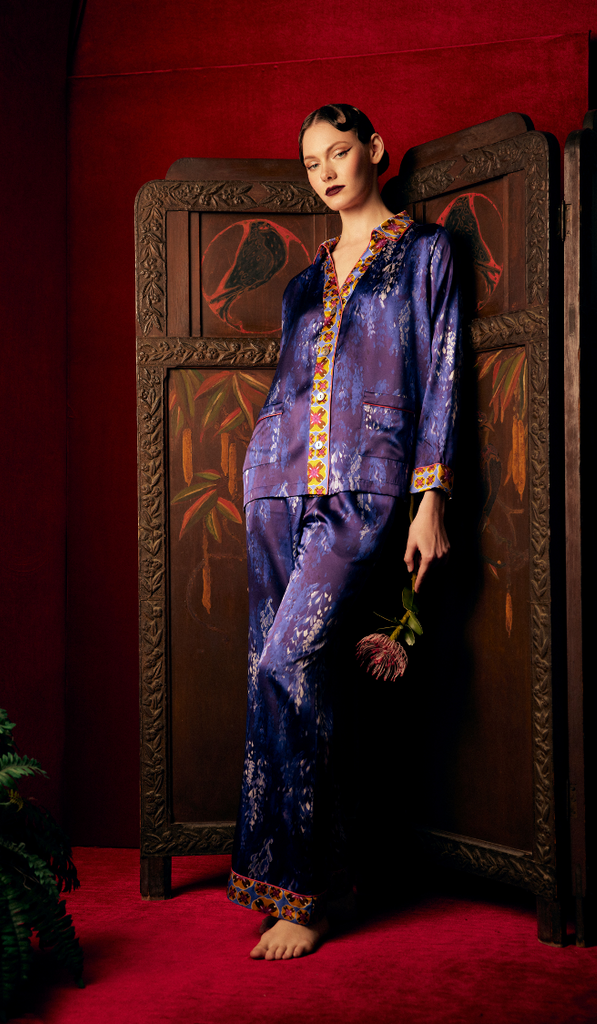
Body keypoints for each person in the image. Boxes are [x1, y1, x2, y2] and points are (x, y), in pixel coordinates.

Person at [226, 104, 461, 960]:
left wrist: (430, 496)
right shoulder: (303, 281)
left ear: (375, 151)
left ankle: (309, 891)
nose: (325, 171)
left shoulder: (425, 252)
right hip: (275, 486)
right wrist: (258, 466)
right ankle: (303, 883)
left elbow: (441, 368)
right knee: (278, 675)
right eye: (311, 162)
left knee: (288, 663)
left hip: (366, 486)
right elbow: (287, 383)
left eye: (338, 152)